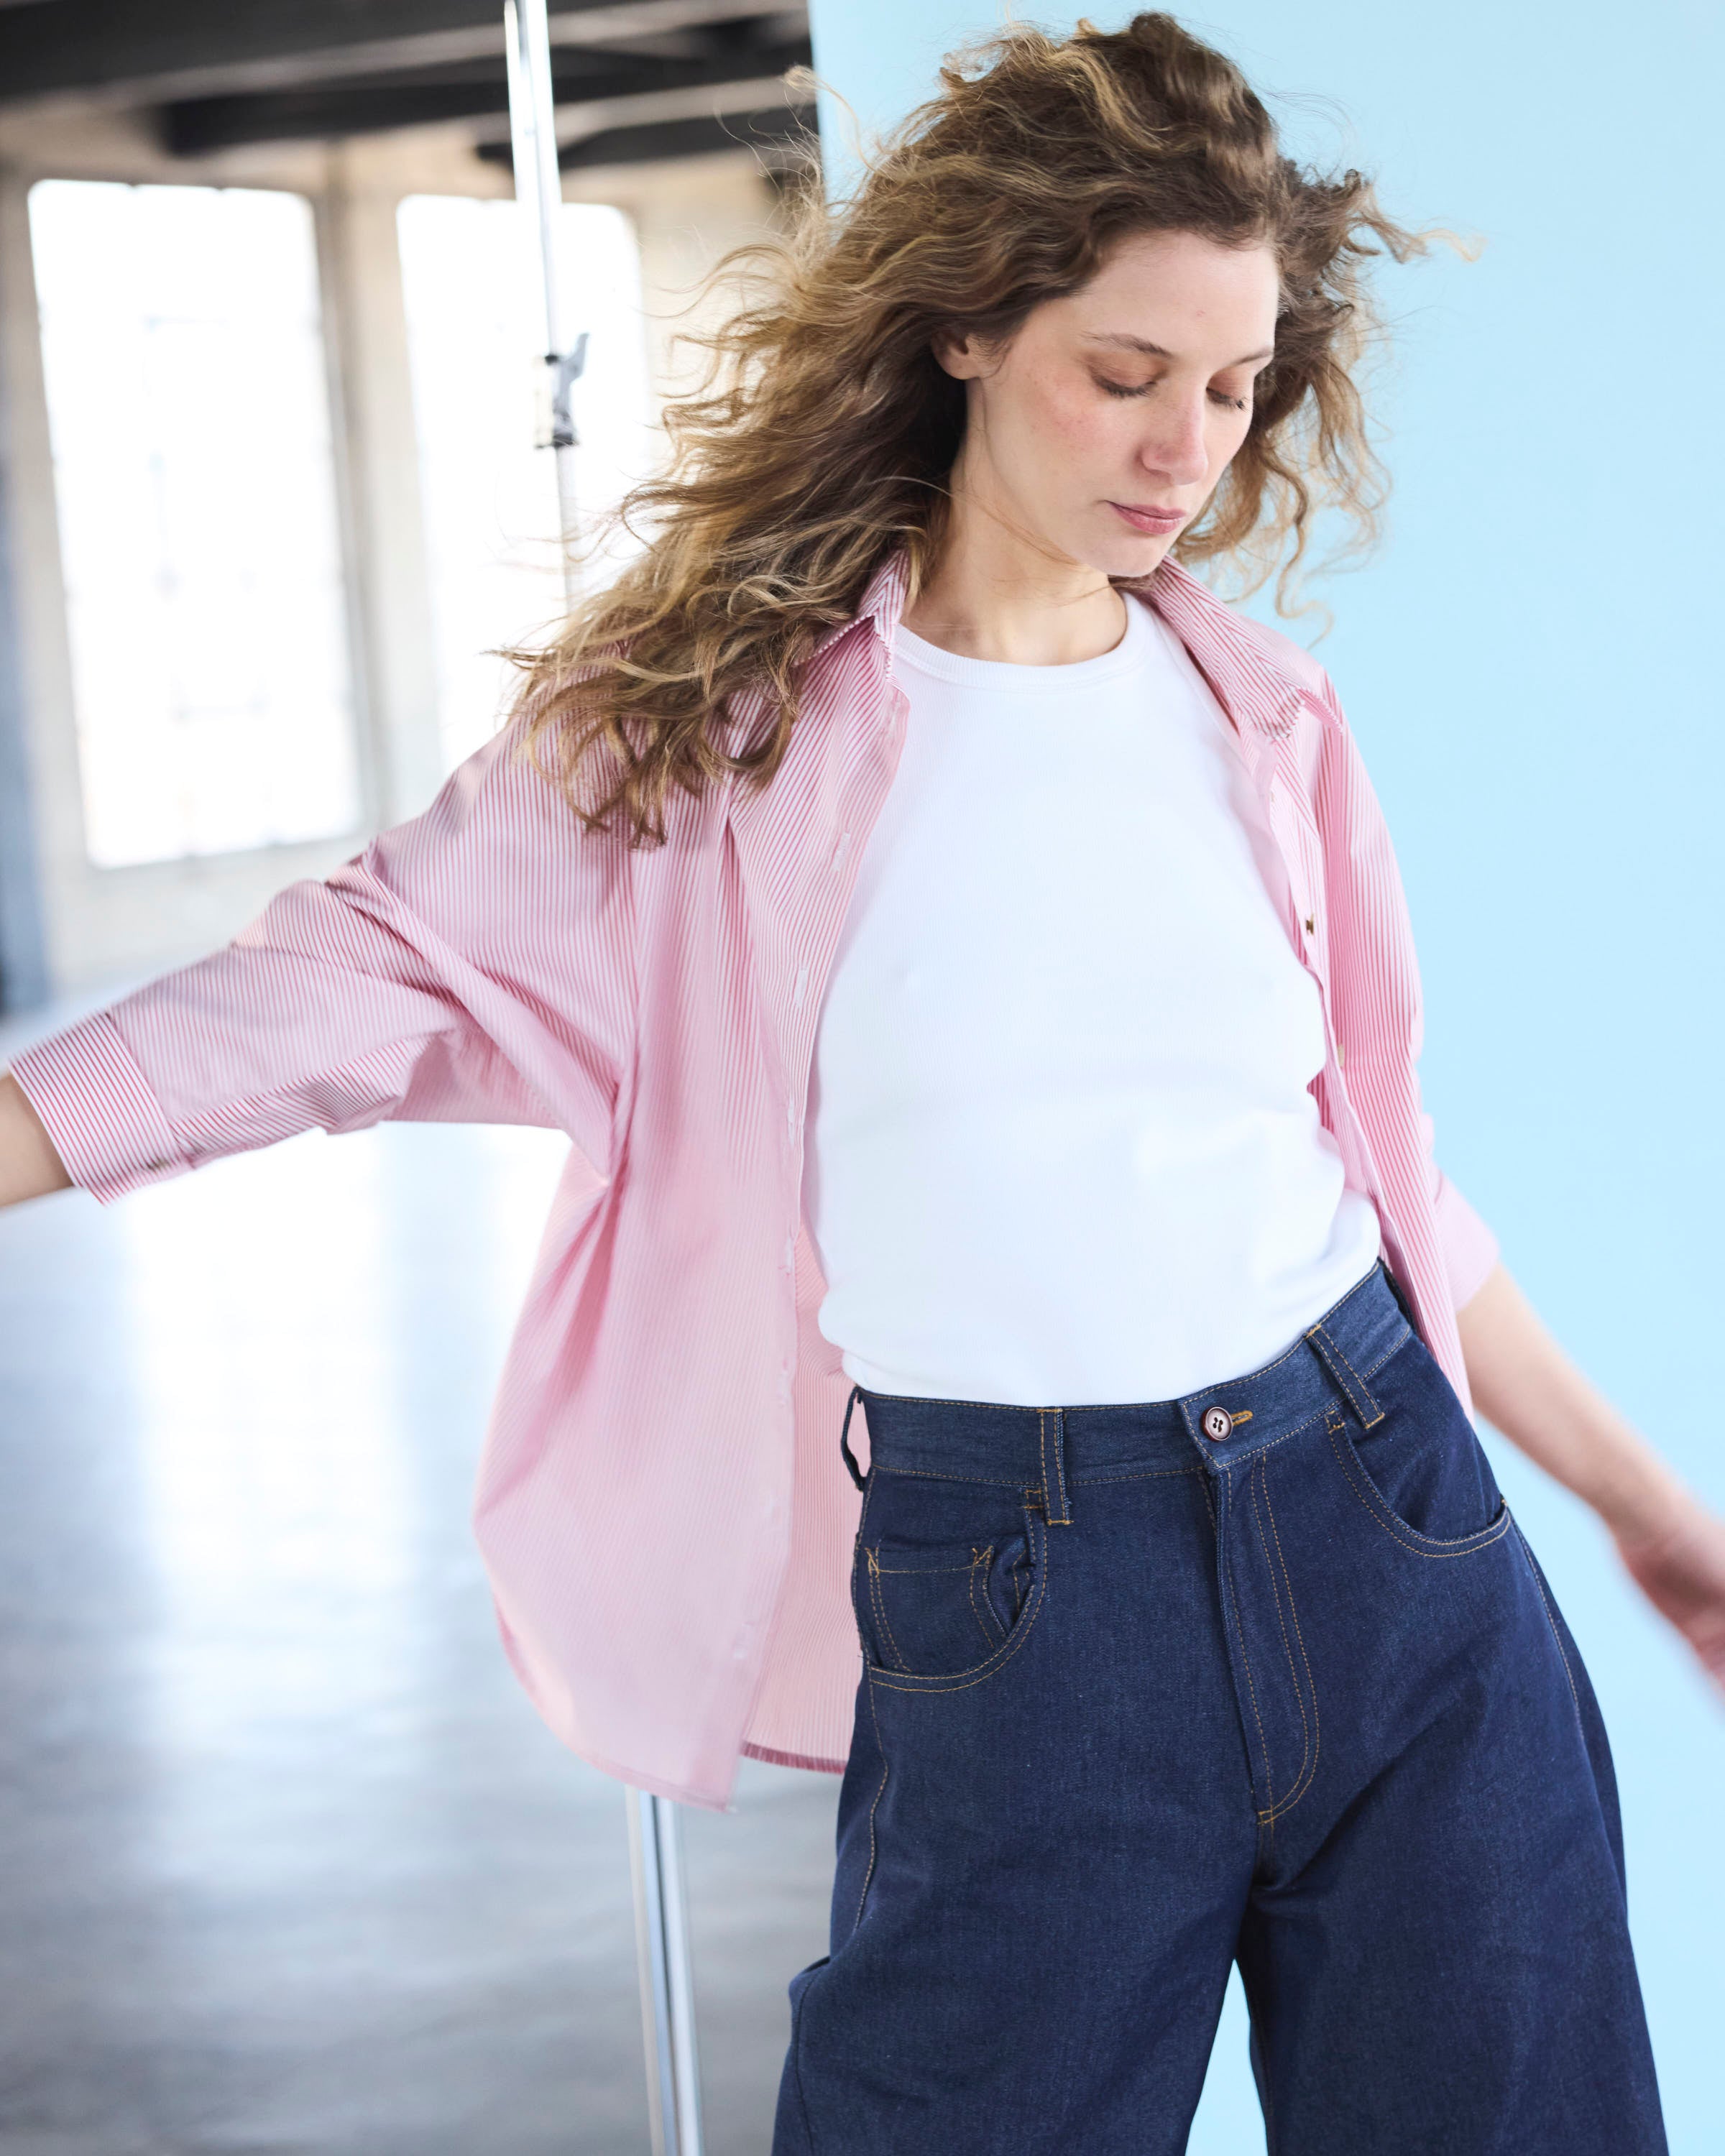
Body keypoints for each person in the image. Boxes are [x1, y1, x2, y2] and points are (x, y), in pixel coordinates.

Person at [1, 11, 1719, 2151]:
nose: (1185, 448)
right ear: (970, 328)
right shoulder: (710, 747)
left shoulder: (1264, 722)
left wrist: (1658, 1520)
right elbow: (350, 985)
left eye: (1231, 387)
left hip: (1392, 1528)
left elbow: (1385, 1183)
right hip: (1021, 1593)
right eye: (1125, 372)